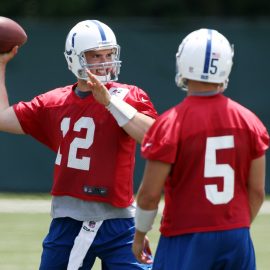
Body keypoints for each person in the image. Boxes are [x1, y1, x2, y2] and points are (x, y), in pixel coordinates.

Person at [0, 20, 157, 269]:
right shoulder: (54, 102)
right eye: (95, 56)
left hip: (120, 221)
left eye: (109, 54)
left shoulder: (128, 96)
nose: (105, 62)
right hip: (70, 220)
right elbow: (2, 117)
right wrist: (0, 64)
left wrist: (109, 103)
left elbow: (155, 137)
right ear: (75, 59)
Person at [132, 28, 269, 269]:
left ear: (183, 62)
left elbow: (150, 194)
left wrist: (140, 234)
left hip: (185, 235)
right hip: (235, 234)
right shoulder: (250, 121)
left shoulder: (170, 123)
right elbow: (257, 191)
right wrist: (236, 226)